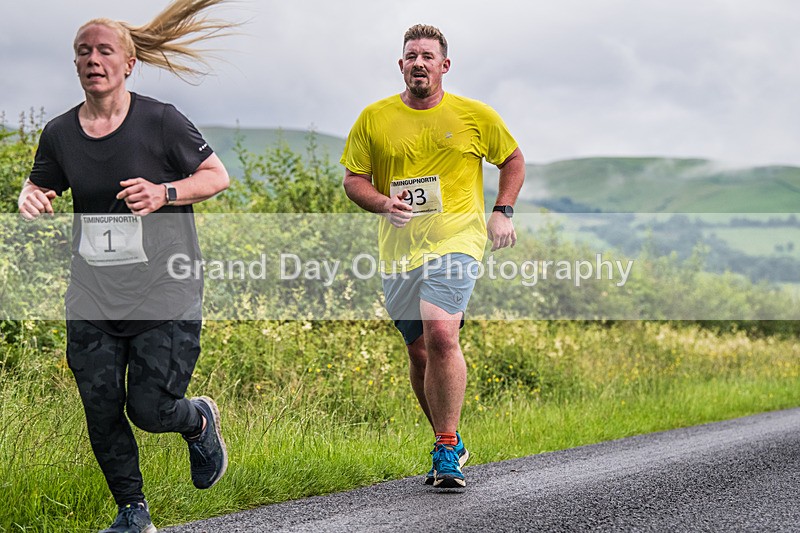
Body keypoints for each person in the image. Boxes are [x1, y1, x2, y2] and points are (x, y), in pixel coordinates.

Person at [17, 1, 236, 531]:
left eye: (104, 50)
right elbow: (41, 182)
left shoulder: (160, 120)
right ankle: (133, 511)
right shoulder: (60, 133)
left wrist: (165, 191)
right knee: (100, 406)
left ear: (129, 62)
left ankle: (197, 420)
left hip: (166, 289)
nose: (93, 58)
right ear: (75, 65)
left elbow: (216, 176)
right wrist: (31, 195)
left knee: (150, 407)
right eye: (83, 52)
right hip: (92, 293)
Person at [341, 24, 525, 489]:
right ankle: (452, 439)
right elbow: (353, 180)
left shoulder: (474, 115)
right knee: (419, 351)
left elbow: (513, 159)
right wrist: (384, 203)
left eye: (427, 56)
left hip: (457, 242)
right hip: (399, 251)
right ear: (400, 64)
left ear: (444, 66)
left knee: (441, 332)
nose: (418, 63)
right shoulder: (373, 118)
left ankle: (444, 447)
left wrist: (502, 211)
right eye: (410, 56)